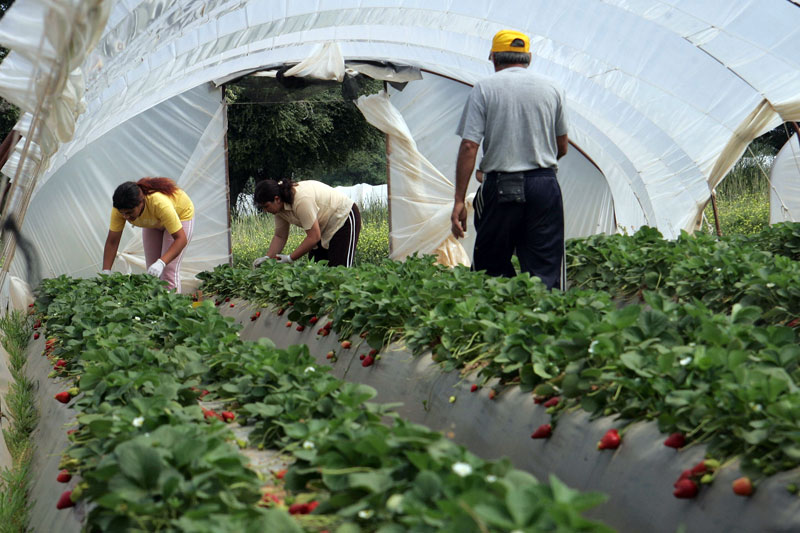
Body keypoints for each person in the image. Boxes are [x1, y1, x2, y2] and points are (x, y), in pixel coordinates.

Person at [450, 29, 569, 290]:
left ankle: (501, 322)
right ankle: (543, 320)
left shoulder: (484, 88)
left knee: (490, 269)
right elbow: (562, 146)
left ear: (493, 58)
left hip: (501, 186)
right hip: (543, 186)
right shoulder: (552, 88)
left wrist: (459, 200)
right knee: (544, 271)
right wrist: (537, 163)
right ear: (528, 58)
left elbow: (470, 145)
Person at [102, 177, 195, 292]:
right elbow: (112, 241)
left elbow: (181, 239)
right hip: (154, 222)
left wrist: (162, 262)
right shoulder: (120, 209)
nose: (126, 217)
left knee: (168, 271)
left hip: (180, 216)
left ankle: (173, 308)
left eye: (130, 213)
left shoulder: (159, 203)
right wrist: (106, 271)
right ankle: (156, 306)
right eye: (123, 213)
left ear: (141, 202)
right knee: (152, 272)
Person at [252, 178, 361, 267]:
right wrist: (267, 258)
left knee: (339, 270)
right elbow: (280, 236)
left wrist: (290, 258)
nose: (266, 211)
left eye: (266, 206)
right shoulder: (278, 208)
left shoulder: (301, 199)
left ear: (277, 199)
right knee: (316, 269)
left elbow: (313, 237)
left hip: (342, 217)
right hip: (320, 226)